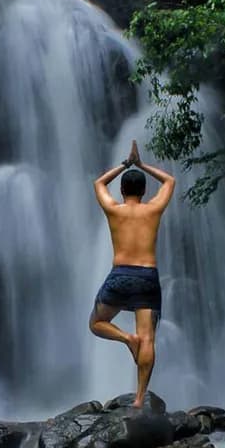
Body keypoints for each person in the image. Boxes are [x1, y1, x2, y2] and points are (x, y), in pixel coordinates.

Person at [89, 139, 175, 408]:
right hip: (147, 277)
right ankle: (139, 399)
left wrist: (124, 164)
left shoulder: (114, 210)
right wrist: (142, 165)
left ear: (123, 189)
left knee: (96, 323)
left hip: (120, 275)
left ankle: (127, 338)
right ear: (144, 190)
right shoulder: (153, 210)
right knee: (148, 338)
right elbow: (170, 181)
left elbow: (98, 184)